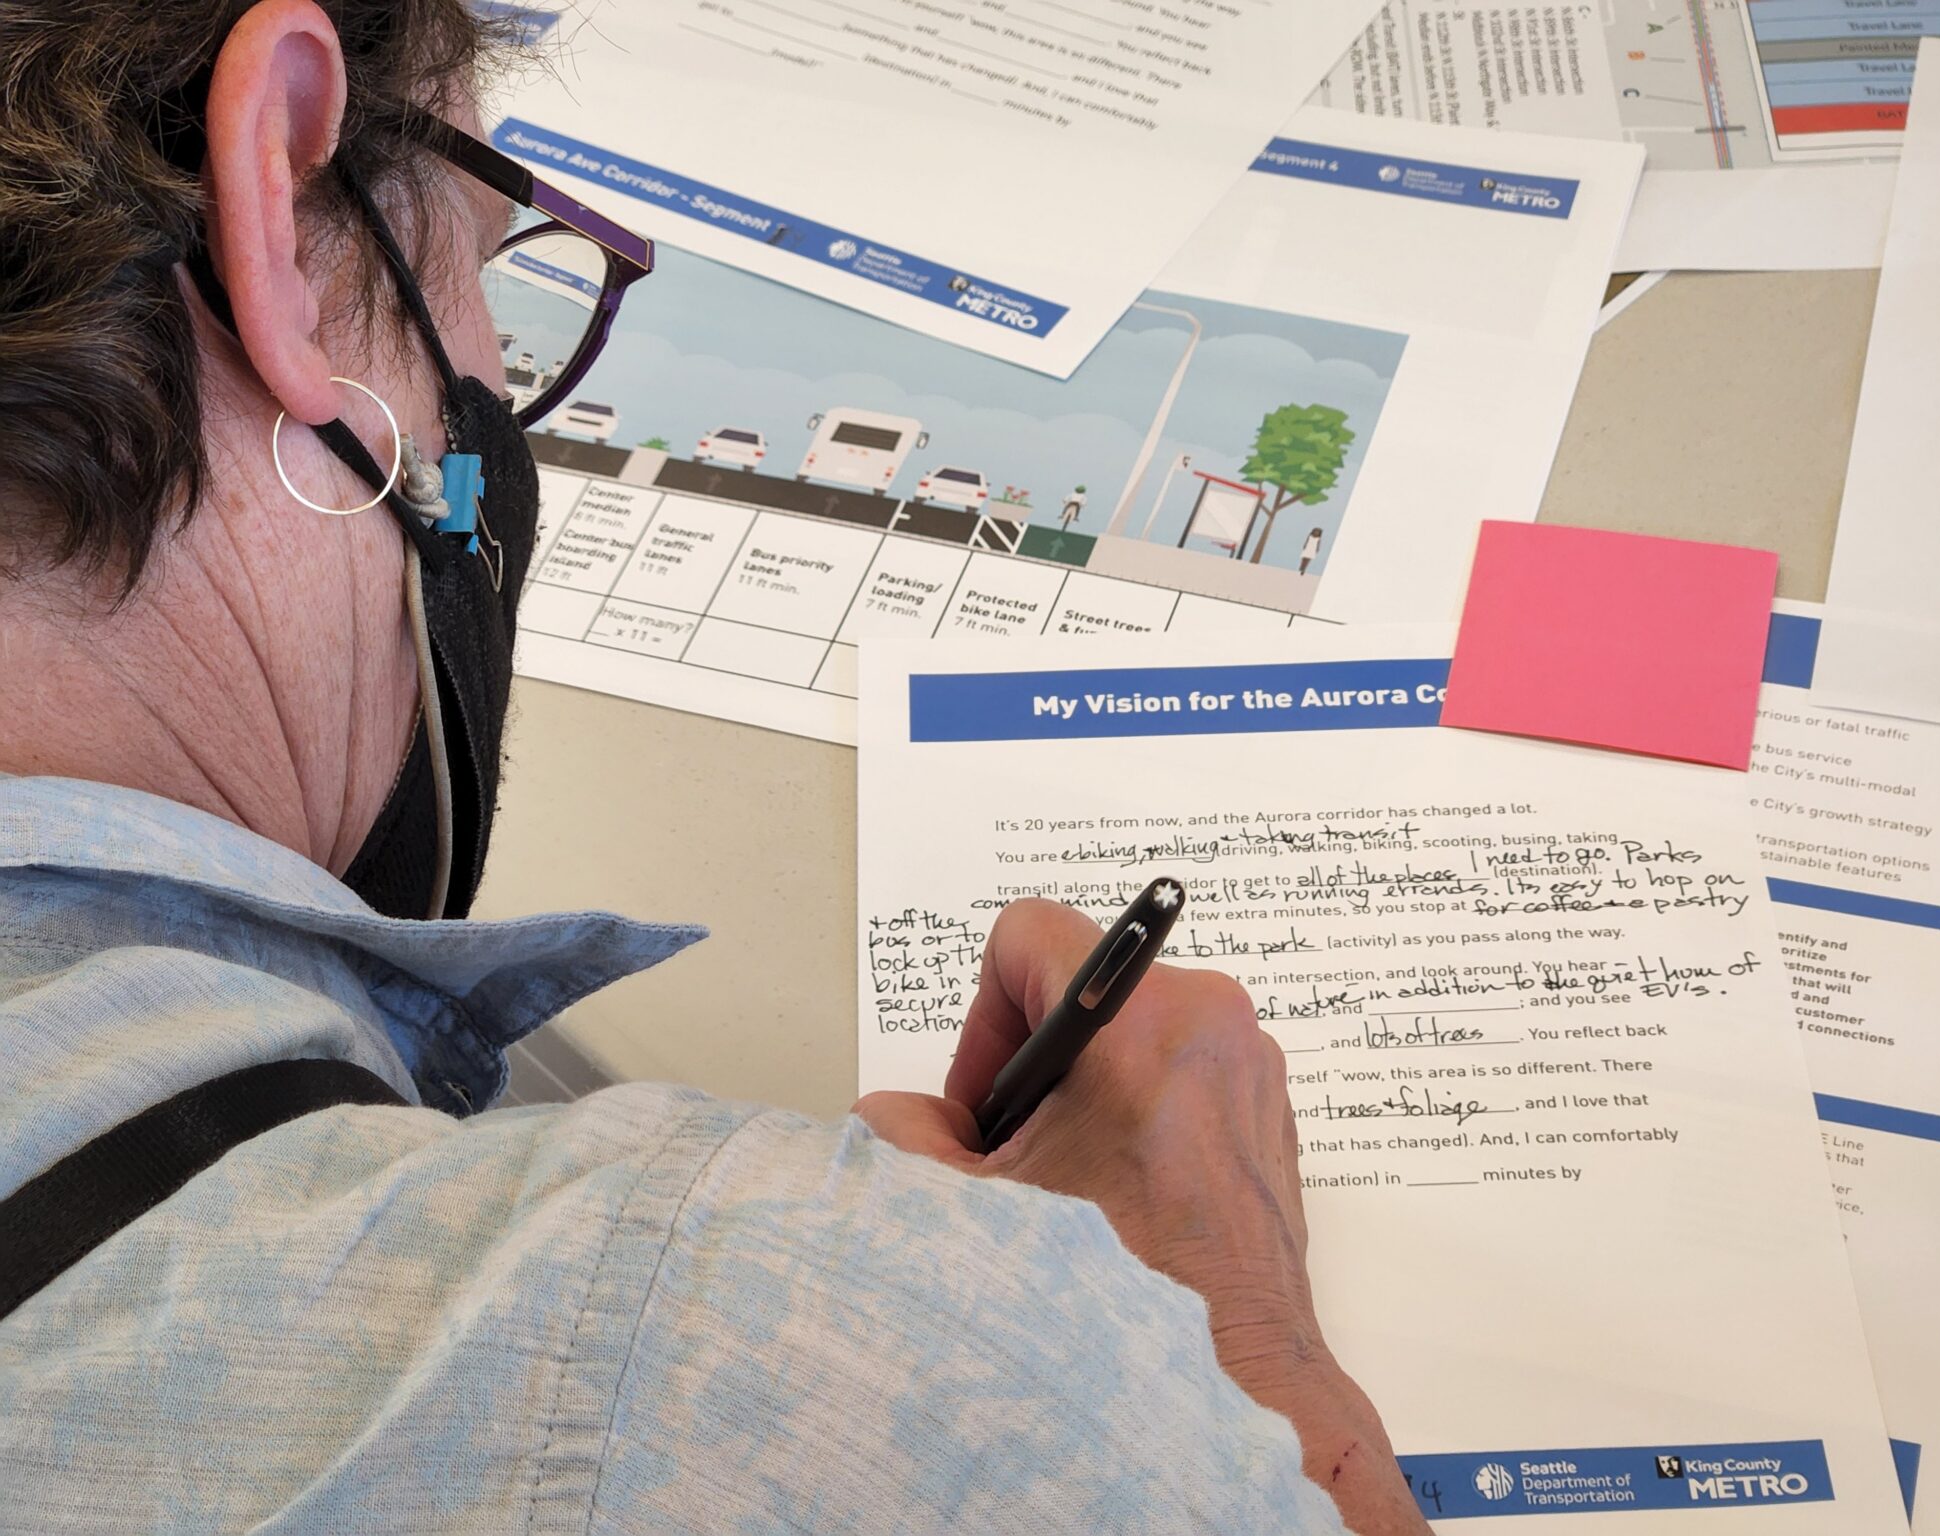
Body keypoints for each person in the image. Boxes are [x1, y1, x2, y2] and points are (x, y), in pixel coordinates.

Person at [0, 3, 1428, 1531]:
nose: (485, 377)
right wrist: (1246, 1346)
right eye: (482, 262)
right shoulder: (767, 1362)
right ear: (278, 206)